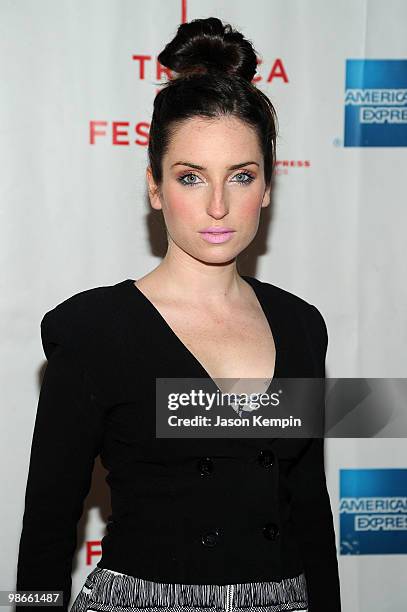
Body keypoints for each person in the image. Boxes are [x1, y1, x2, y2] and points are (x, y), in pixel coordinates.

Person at [16, 16, 341, 612]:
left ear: (267, 187)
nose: (218, 206)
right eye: (191, 177)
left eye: (240, 176)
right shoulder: (92, 332)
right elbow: (46, 530)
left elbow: (308, 508)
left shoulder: (301, 326)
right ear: (155, 187)